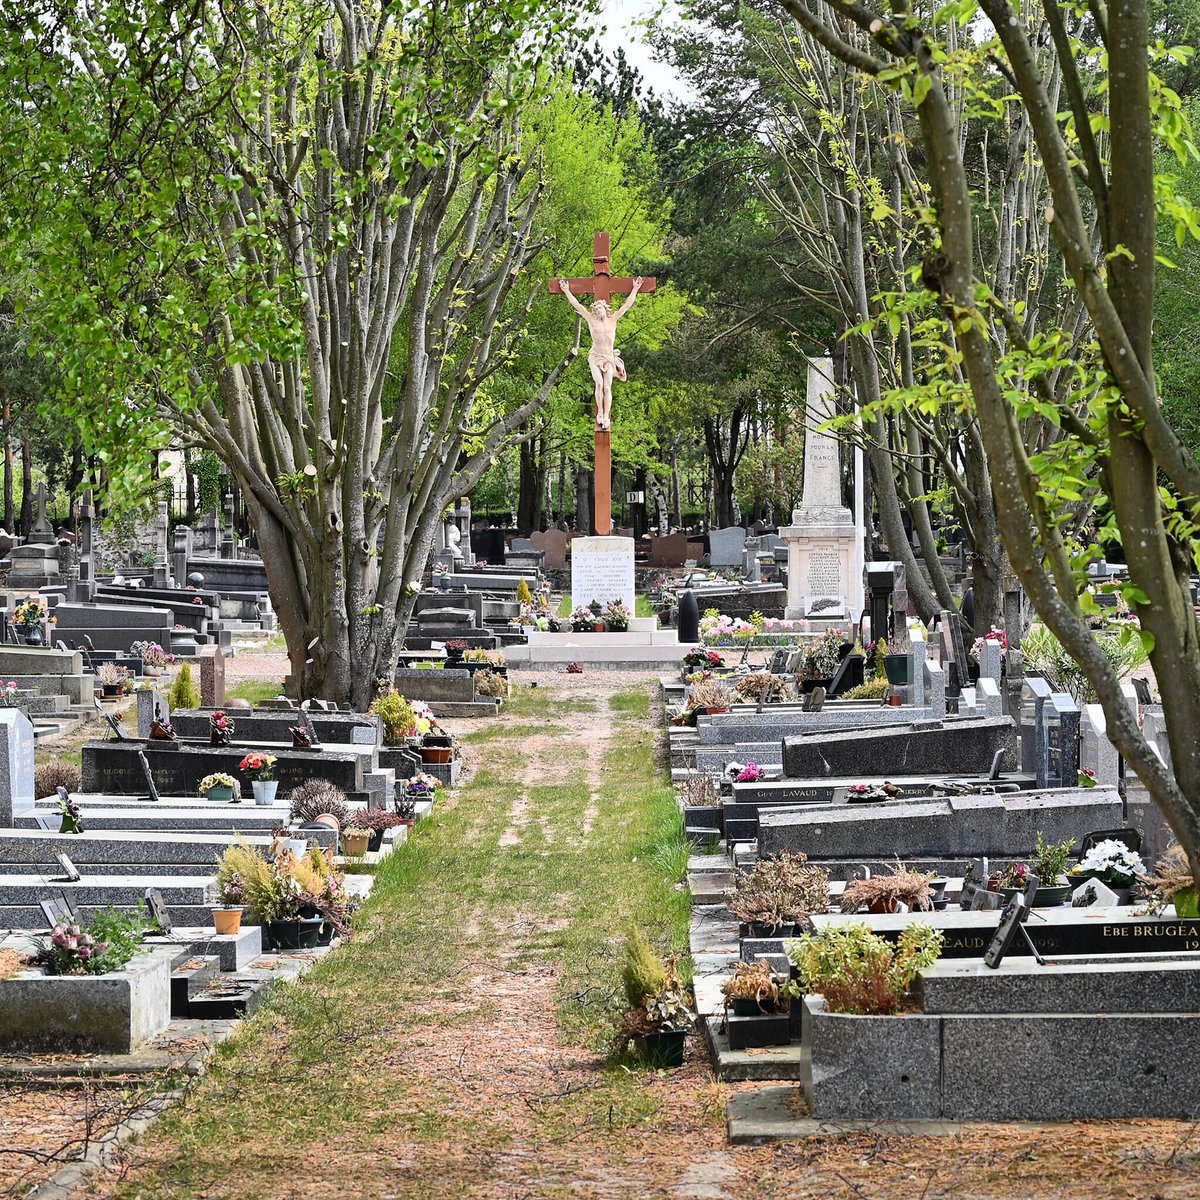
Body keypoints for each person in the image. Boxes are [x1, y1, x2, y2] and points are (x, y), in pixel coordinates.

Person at [558, 277, 643, 429]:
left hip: (609, 357)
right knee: (598, 382)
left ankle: (606, 415)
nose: (598, 311)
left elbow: (627, 305)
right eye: (596, 309)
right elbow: (577, 305)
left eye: (600, 309)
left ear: (605, 308)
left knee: (607, 387)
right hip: (596, 356)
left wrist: (635, 289)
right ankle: (600, 413)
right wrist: (566, 290)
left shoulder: (613, 319)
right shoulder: (592, 319)